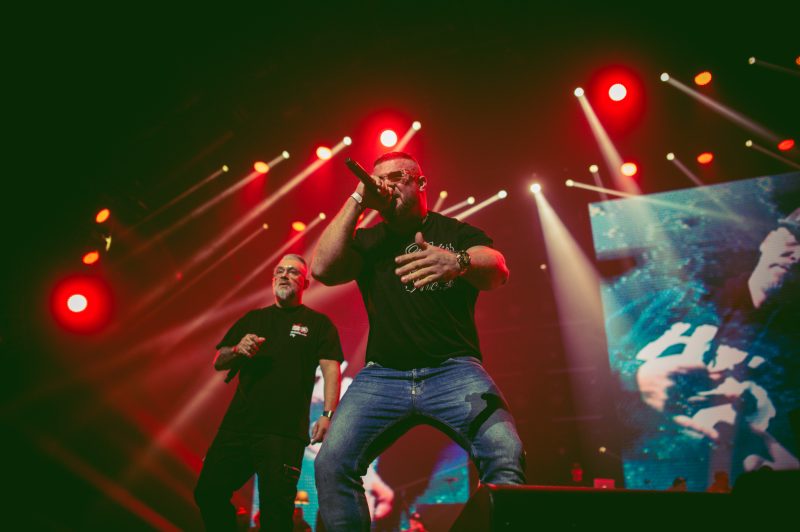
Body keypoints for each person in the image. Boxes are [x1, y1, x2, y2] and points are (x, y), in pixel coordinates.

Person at [311, 151, 526, 530]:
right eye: (379, 179)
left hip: (453, 370)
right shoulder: (370, 240)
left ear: (421, 183)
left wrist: (457, 262)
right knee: (331, 463)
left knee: (506, 454)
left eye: (397, 177)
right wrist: (358, 198)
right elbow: (322, 269)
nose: (386, 185)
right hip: (383, 375)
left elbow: (498, 268)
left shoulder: (455, 233)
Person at [194, 254, 344, 531]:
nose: (285, 275)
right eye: (280, 271)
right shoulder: (254, 319)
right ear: (273, 279)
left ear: (305, 283)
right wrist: (238, 349)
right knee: (208, 492)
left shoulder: (318, 324)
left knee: (276, 516)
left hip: (283, 433)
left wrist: (327, 415)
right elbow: (219, 361)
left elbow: (331, 370)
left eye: (293, 272)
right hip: (238, 427)